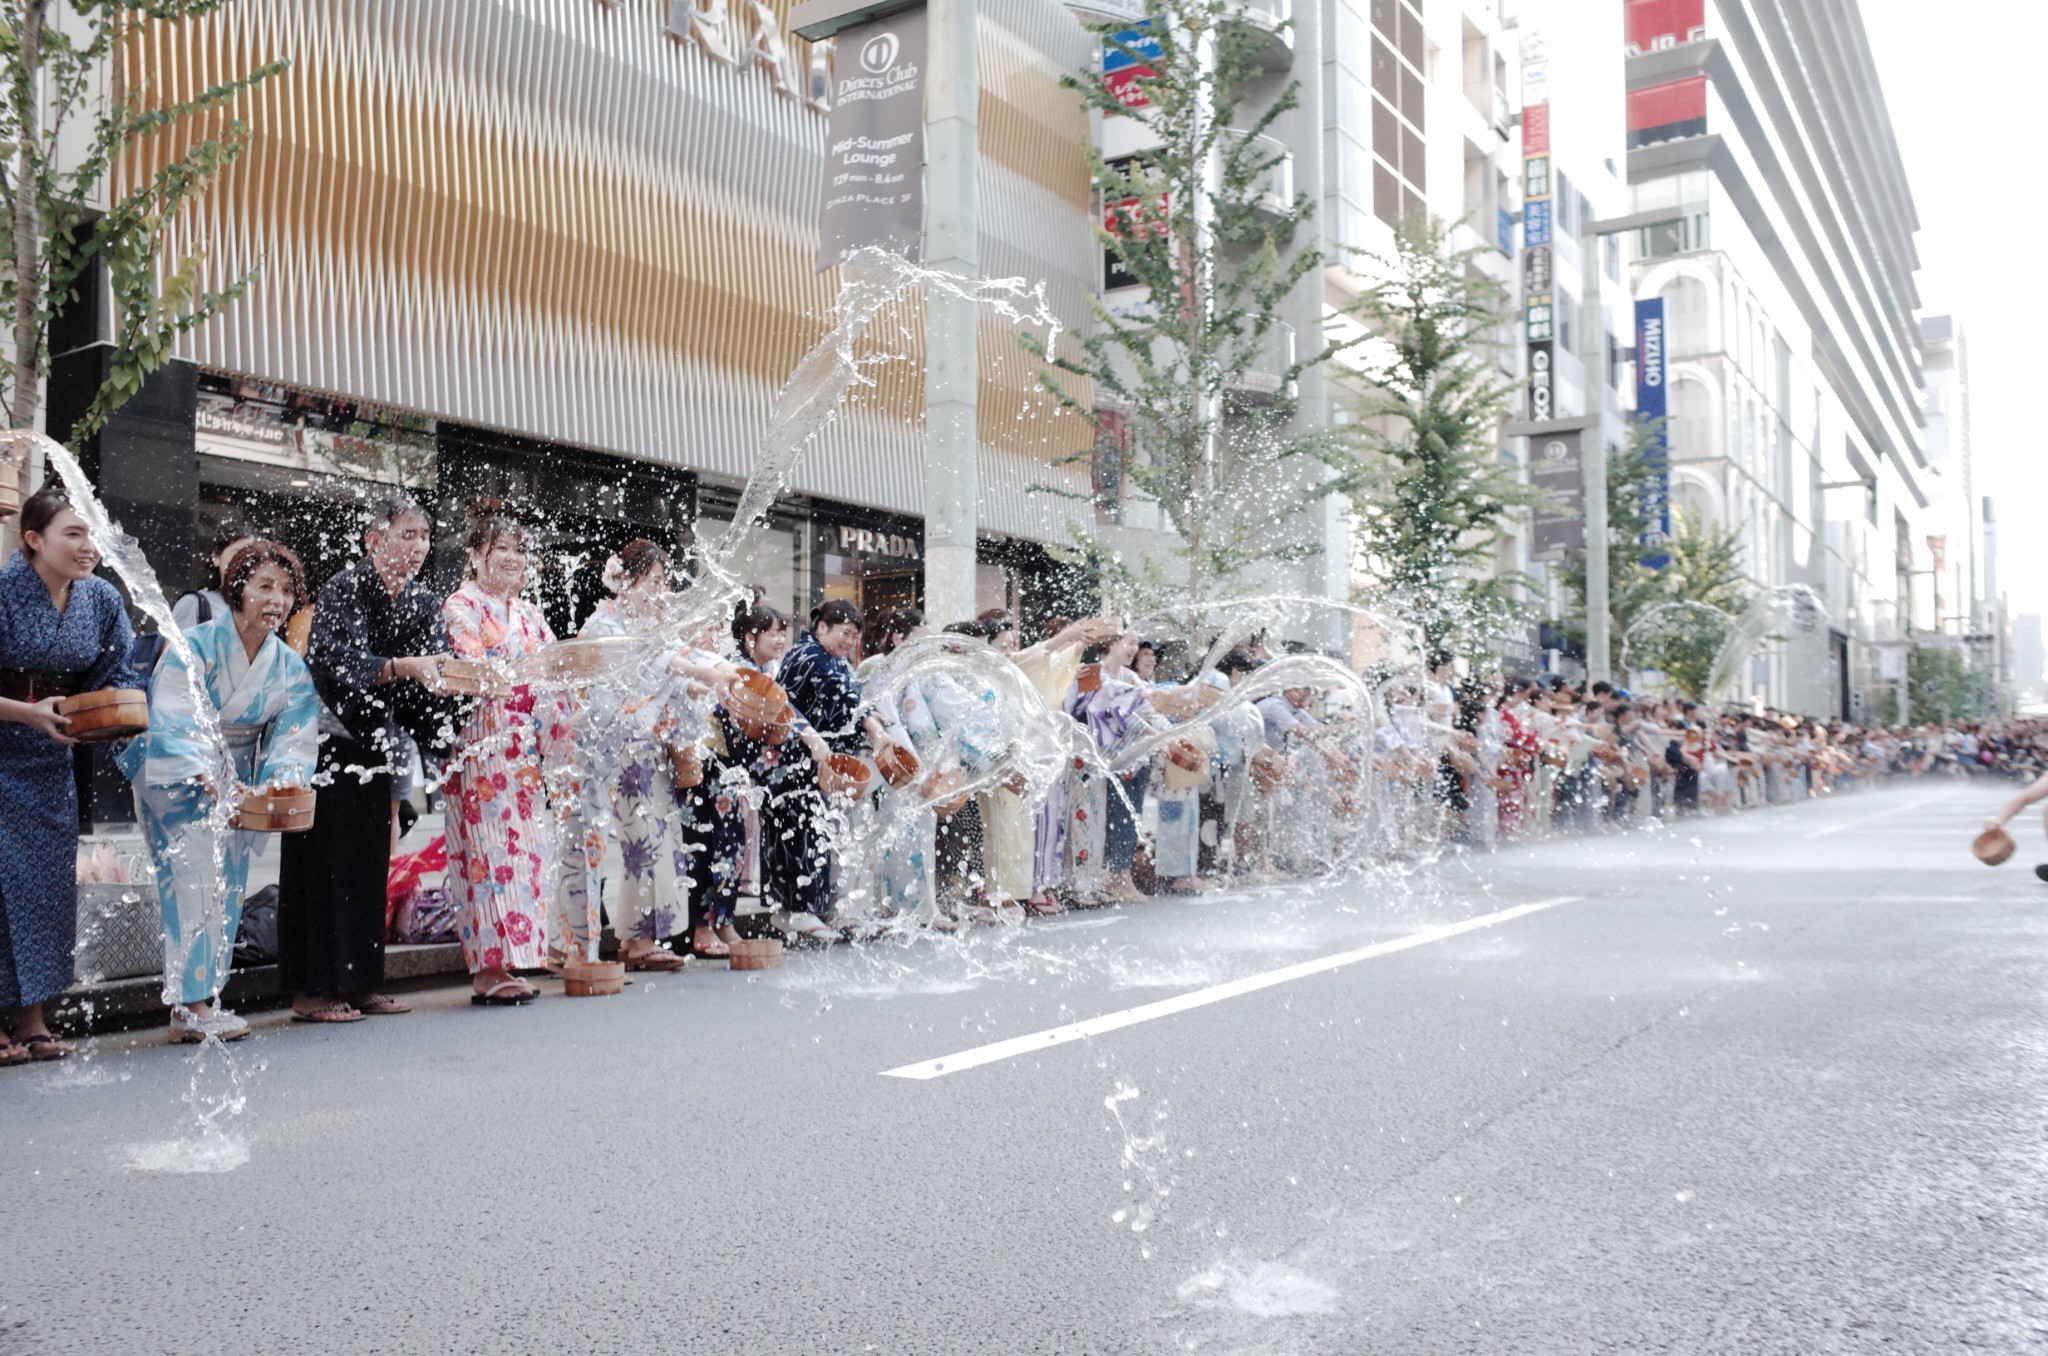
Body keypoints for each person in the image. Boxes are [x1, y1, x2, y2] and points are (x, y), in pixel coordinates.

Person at [119, 540, 319, 1043]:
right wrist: (201, 773)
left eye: (286, 589)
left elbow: (294, 731)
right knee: (191, 884)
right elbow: (174, 714)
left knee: (228, 884)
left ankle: (203, 999)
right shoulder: (196, 646)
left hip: (237, 781)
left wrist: (280, 779)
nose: (276, 598)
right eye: (265, 586)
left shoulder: (288, 665)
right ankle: (189, 1005)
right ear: (238, 589)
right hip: (179, 781)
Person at [281, 495, 452, 1025]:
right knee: (325, 864)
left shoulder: (424, 600)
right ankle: (313, 991)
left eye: (424, 536)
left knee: (369, 865)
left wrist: (452, 696)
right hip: (332, 743)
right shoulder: (344, 586)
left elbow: (431, 677)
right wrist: (403, 667)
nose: (419, 546)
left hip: (383, 744)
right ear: (374, 539)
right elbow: (334, 662)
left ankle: (360, 982)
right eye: (408, 534)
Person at [0, 485, 137, 1064]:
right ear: (34, 540)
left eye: (92, 535)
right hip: (6, 731)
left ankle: (32, 1014)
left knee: (43, 885)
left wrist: (117, 718)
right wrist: (26, 712)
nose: (88, 547)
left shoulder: (101, 599)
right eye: (73, 534)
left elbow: (118, 672)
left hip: (49, 753)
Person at [553, 540, 697, 970]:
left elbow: (669, 688)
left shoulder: (645, 629)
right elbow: (619, 693)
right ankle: (587, 943)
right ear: (628, 580)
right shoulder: (603, 625)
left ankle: (642, 936)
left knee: (657, 841)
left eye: (661, 582)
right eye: (653, 581)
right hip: (608, 753)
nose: (659, 591)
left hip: (646, 750)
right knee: (620, 846)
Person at [444, 515, 566, 1005]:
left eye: (519, 549)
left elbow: (554, 667)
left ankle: (509, 959)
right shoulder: (461, 605)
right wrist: (527, 678)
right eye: (501, 548)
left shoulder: (530, 614)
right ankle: (487, 969)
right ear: (476, 555)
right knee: (486, 852)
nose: (513, 558)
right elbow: (474, 667)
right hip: (482, 743)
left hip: (522, 748)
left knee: (521, 853)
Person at [772, 598, 886, 938]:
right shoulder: (805, 655)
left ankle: (813, 908)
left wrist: (873, 723)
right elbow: (782, 701)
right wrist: (808, 735)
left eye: (855, 636)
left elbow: (854, 702)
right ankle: (793, 910)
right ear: (822, 628)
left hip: (827, 763)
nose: (850, 642)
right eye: (845, 633)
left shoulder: (840, 662)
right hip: (797, 759)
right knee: (798, 832)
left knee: (820, 834)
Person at [171, 530, 257, 631]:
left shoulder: (260, 608)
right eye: (238, 554)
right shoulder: (193, 603)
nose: (245, 562)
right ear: (216, 558)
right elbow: (176, 645)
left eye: (252, 557)